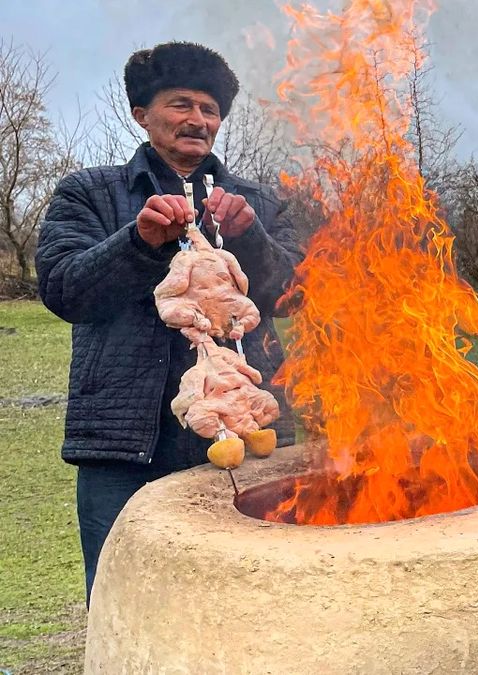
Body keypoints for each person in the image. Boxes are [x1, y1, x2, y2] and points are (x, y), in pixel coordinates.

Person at [35, 42, 303, 605]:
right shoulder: (89, 192)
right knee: (127, 601)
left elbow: (292, 295)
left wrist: (250, 238)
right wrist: (139, 242)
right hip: (129, 442)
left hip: (245, 432)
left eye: (210, 110)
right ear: (142, 114)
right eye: (182, 104)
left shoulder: (256, 201)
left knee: (256, 598)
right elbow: (64, 289)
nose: (198, 121)